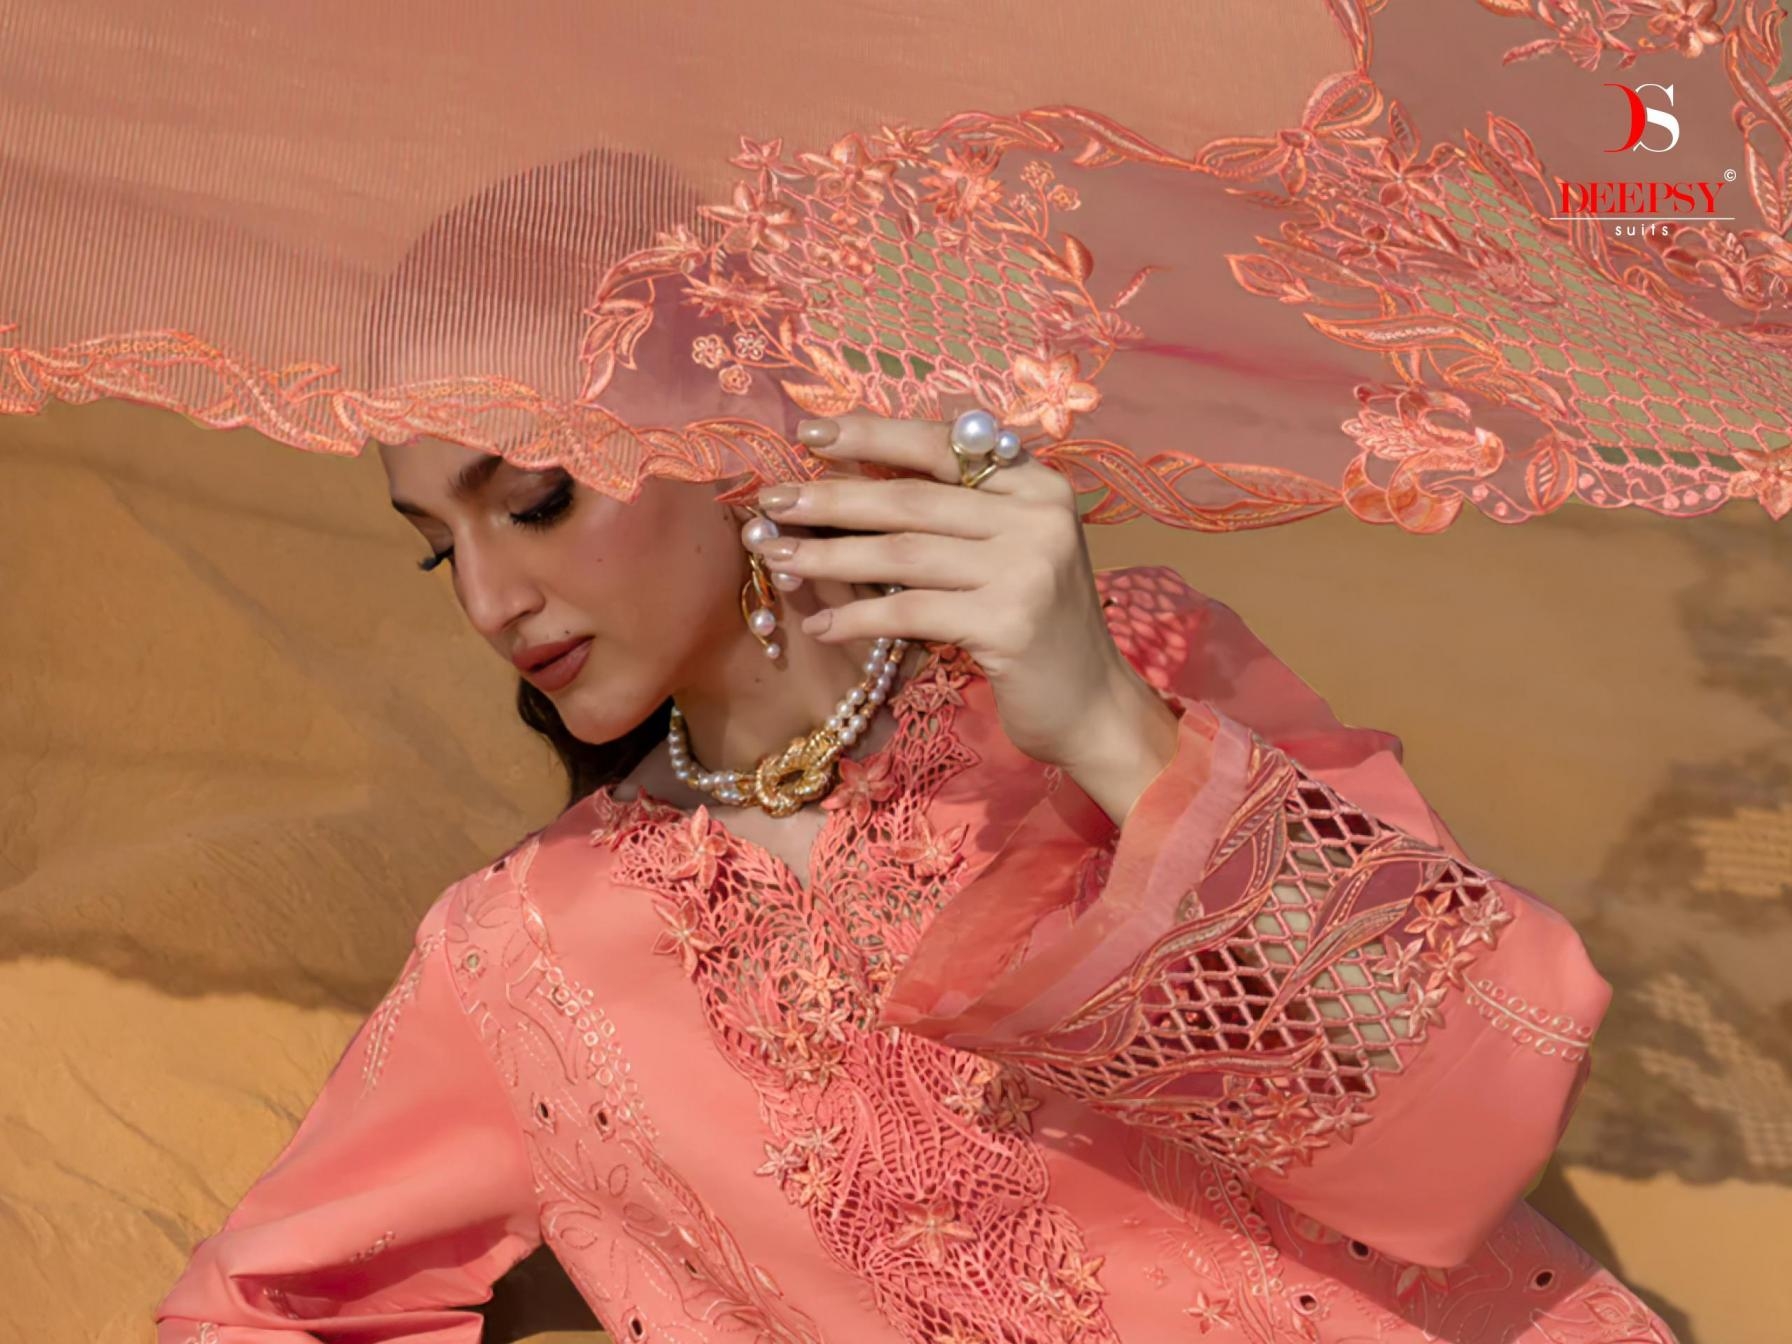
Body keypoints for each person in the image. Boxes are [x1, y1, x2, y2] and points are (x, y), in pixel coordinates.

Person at [153, 409, 1678, 1343]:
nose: (489, 599)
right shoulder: (523, 953)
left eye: (537, 499)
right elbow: (256, 1306)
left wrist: (1105, 728)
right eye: (440, 549)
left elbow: (1468, 1098)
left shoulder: (1130, 665)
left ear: (733, 430)